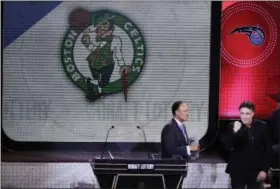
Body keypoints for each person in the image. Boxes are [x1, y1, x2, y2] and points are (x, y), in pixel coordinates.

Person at [224, 101, 271, 189]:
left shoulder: (262, 126)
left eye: (247, 114)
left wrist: (264, 170)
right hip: (237, 170)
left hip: (255, 170)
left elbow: (267, 149)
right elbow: (228, 147)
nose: (244, 116)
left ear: (253, 113)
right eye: (242, 113)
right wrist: (235, 132)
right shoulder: (233, 125)